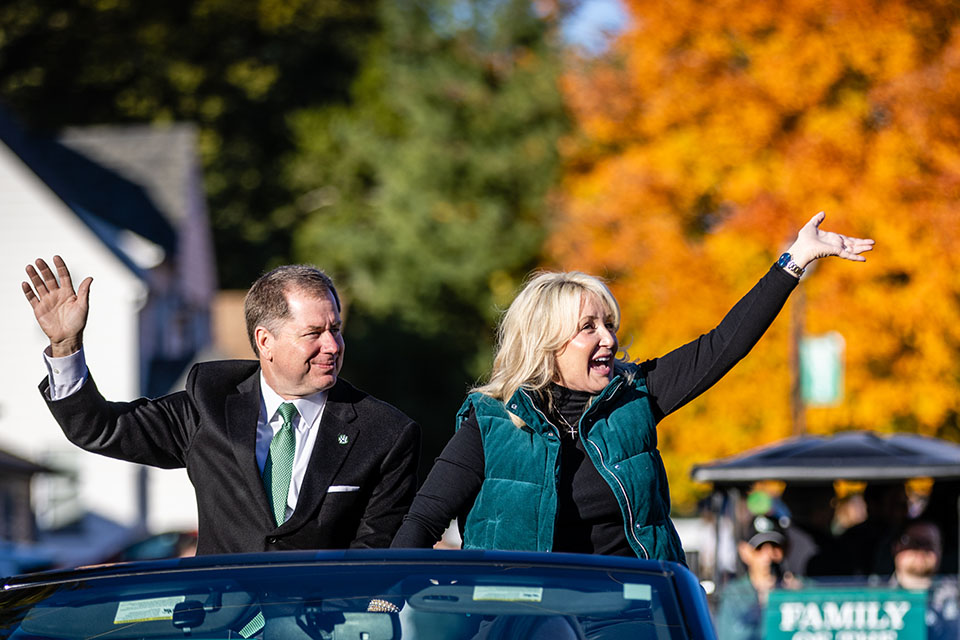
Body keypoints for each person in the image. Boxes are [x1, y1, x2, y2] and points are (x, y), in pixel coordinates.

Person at [391, 212, 873, 560]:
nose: (609, 338)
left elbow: (723, 346)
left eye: (609, 323)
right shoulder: (492, 419)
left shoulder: (635, 395)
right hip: (524, 619)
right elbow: (422, 521)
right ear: (547, 343)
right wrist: (382, 602)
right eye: (589, 327)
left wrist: (795, 261)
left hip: (627, 610)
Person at [22, 257, 421, 554]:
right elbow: (99, 428)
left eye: (335, 329)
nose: (332, 346)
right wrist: (65, 346)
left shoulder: (384, 432)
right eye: (313, 333)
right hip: (223, 623)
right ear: (265, 341)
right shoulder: (208, 405)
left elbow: (377, 554)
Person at [716, 515, 795, 640]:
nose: (768, 555)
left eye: (775, 547)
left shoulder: (798, 588)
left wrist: (800, 597)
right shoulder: (735, 594)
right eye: (759, 548)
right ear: (744, 552)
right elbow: (729, 635)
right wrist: (762, 606)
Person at [888, 519, 959, 640]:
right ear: (896, 547)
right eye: (912, 543)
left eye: (929, 544)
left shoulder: (956, 595)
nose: (920, 550)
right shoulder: (873, 597)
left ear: (940, 550)